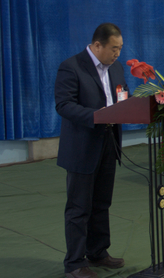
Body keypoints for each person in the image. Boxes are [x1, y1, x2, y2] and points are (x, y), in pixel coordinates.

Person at [54, 23, 128, 278]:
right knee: (79, 207)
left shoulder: (116, 68)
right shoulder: (71, 66)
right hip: (82, 146)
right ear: (97, 45)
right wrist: (97, 116)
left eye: (120, 48)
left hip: (109, 143)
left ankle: (97, 252)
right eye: (114, 48)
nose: (117, 54)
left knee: (102, 203)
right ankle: (75, 263)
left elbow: (122, 97)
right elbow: (64, 105)